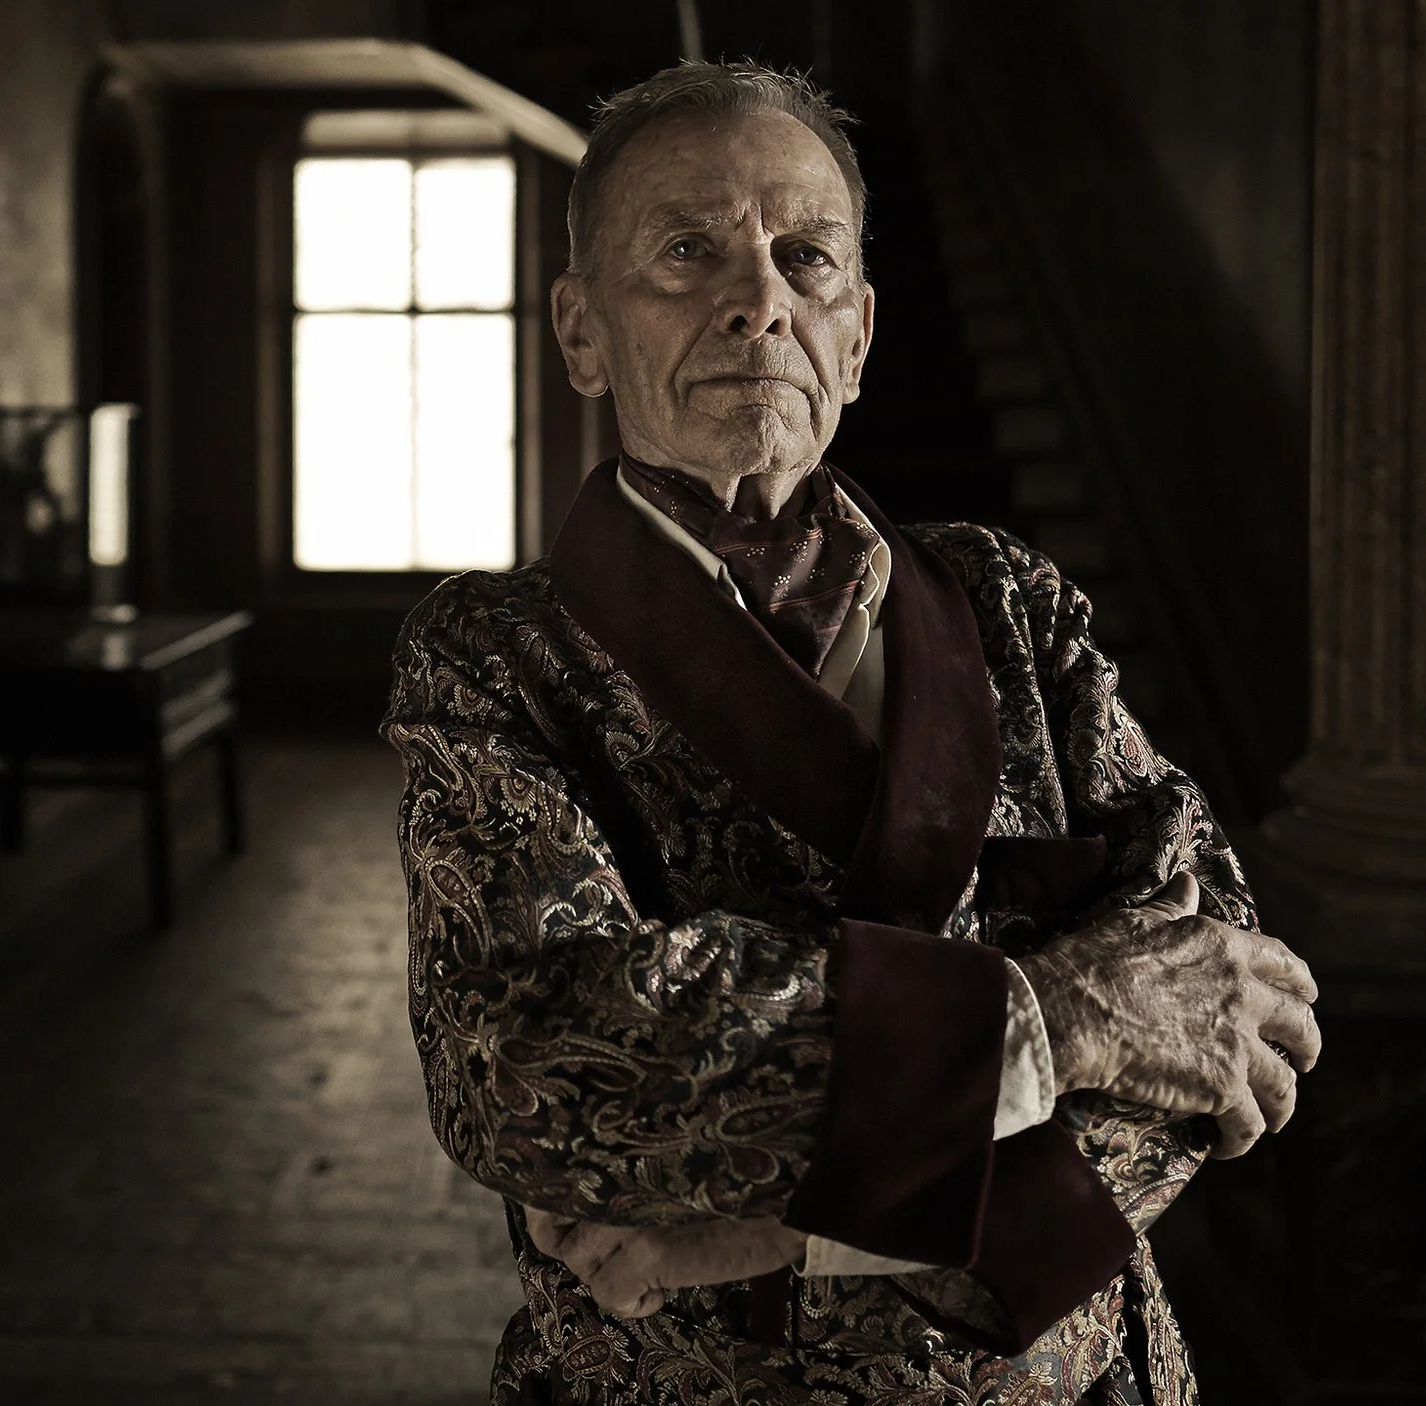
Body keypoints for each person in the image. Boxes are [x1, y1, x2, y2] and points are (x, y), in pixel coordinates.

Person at [380, 61, 1321, 1406]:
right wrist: (1055, 1014)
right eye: (688, 250)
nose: (757, 297)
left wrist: (758, 1234)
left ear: (861, 334)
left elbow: (1224, 1009)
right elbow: (536, 1067)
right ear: (580, 331)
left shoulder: (1008, 602)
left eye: (804, 256)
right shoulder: (497, 657)